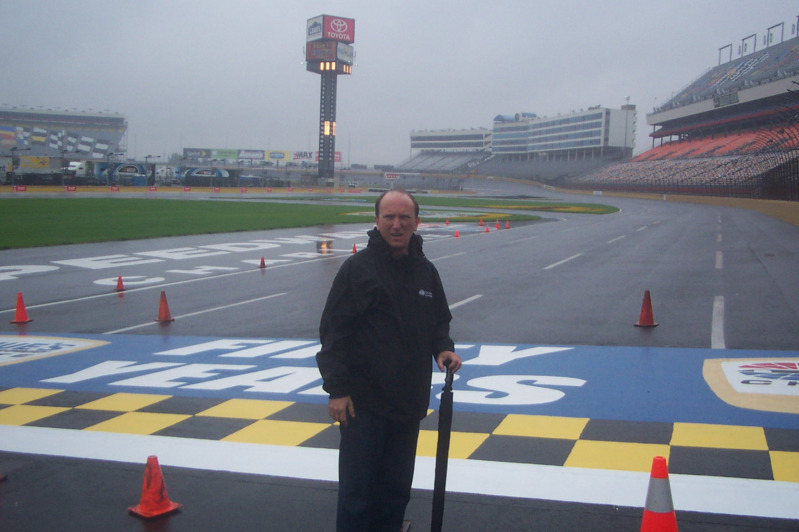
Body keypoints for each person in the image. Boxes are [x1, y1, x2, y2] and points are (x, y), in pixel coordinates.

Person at [317, 188, 462, 532]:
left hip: (408, 403)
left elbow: (438, 319)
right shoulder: (358, 269)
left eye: (404, 218)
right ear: (377, 221)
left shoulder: (426, 271)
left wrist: (442, 347)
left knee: (396, 492)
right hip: (362, 405)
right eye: (389, 217)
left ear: (416, 222)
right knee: (358, 495)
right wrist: (337, 390)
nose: (397, 225)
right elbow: (334, 333)